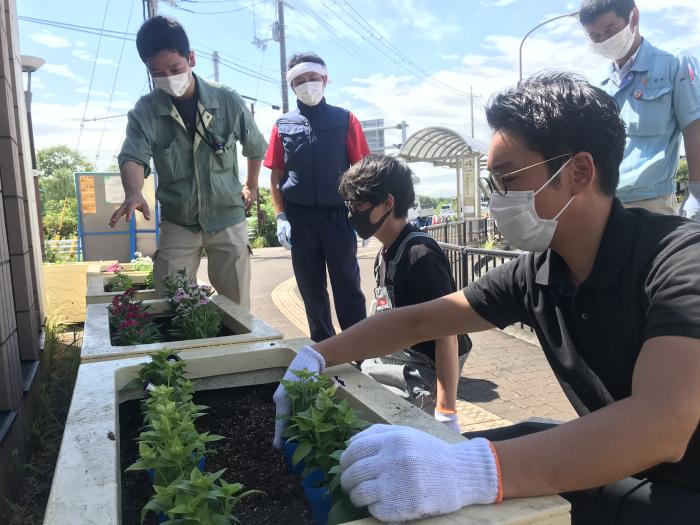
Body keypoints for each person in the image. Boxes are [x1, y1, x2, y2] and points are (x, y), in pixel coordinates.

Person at [273, 73, 700, 524]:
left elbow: (662, 426)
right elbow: (418, 322)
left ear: (578, 172)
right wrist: (315, 358)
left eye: (507, 178)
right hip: (627, 462)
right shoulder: (539, 272)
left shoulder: (679, 261)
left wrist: (474, 471)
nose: (498, 199)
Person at [110, 16, 266, 309]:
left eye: (175, 68)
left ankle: (233, 353)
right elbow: (133, 155)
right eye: (157, 72)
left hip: (227, 216)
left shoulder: (227, 100)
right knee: (169, 303)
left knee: (238, 306)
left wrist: (251, 185)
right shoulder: (145, 111)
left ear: (191, 58)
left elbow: (255, 146)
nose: (168, 77)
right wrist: (133, 191)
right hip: (178, 220)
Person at [338, 154, 472, 431]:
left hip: (422, 373)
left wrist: (446, 411)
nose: (351, 212)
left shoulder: (419, 256)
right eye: (348, 204)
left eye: (358, 203)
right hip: (396, 359)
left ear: (387, 203)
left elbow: (447, 332)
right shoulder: (385, 253)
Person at [264, 52, 369, 342]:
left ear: (324, 79)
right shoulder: (282, 125)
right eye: (300, 80)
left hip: (338, 215)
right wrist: (280, 216)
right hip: (299, 218)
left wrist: (363, 213)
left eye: (313, 78)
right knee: (310, 289)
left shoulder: (345, 119)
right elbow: (275, 177)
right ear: (291, 85)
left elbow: (361, 169)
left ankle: (359, 348)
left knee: (347, 284)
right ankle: (324, 348)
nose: (307, 84)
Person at [580, 0, 700, 218]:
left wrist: (697, 192)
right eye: (596, 37)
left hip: (652, 202)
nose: (605, 41)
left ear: (633, 18)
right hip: (601, 201)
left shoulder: (675, 63)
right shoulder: (596, 82)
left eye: (610, 30)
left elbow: (695, 129)